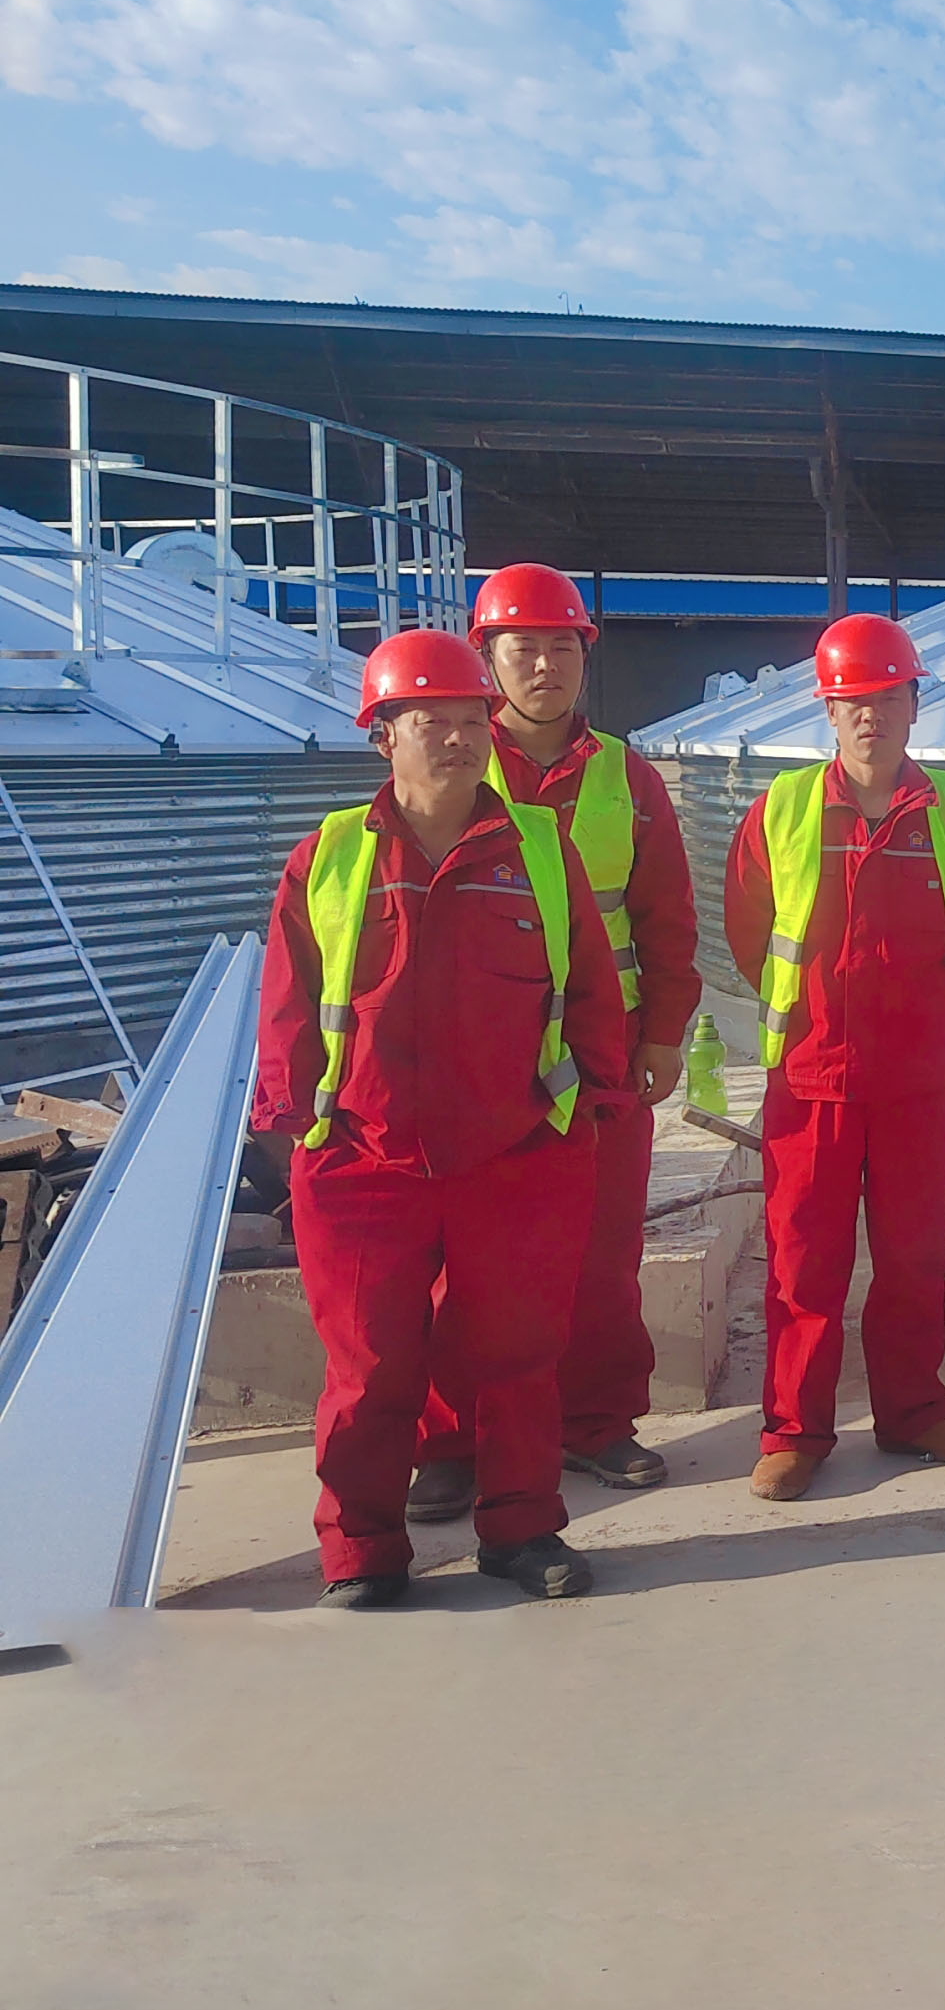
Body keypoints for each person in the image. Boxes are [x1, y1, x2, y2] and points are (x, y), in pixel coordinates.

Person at [252, 628, 628, 1604]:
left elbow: (589, 988)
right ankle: (362, 1552)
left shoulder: (538, 853)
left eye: (471, 722)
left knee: (516, 1358)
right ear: (384, 735)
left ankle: (521, 1531)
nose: (458, 740)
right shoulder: (329, 859)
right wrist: (293, 1118)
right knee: (372, 1369)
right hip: (362, 1163)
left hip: (513, 1155)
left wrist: (592, 1104)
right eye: (432, 722)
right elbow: (288, 1003)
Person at [403, 562, 698, 1529]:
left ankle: (597, 1419)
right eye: (522, 647)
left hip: (602, 1052)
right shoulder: (452, 759)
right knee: (464, 1256)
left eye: (562, 646)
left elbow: (664, 917)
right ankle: (451, 1443)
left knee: (603, 1248)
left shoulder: (625, 775)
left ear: (583, 658)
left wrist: (663, 1034)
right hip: (481, 1056)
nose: (544, 665)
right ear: (486, 661)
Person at [724, 613, 945, 1500]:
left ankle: (913, 1413)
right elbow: (745, 928)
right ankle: (795, 1431)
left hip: (920, 1079)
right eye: (852, 700)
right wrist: (808, 1014)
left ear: (914, 703)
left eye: (886, 697)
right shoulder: (785, 808)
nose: (869, 716)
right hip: (811, 1077)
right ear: (829, 710)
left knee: (916, 1252)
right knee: (804, 1258)